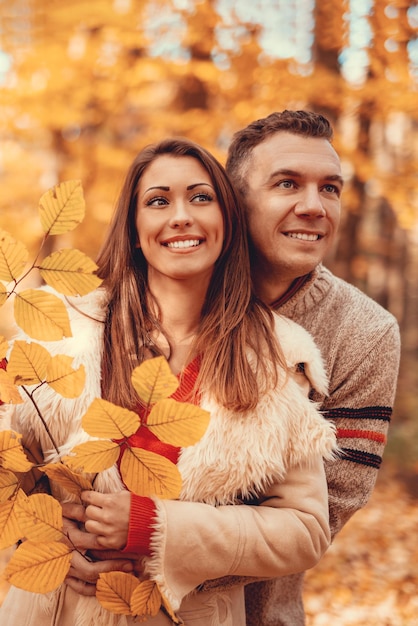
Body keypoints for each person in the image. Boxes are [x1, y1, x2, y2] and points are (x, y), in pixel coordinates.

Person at [0, 138, 338, 626]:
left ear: (227, 223)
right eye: (158, 201)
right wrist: (48, 535)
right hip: (49, 612)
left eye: (201, 198)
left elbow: (304, 530)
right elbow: (14, 472)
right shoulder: (64, 329)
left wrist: (154, 528)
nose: (181, 216)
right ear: (135, 230)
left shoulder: (272, 355)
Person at [224, 109, 401, 626]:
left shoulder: (366, 332)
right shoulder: (178, 292)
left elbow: (319, 517)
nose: (314, 206)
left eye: (330, 188)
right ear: (236, 201)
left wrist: (146, 547)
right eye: (287, 184)